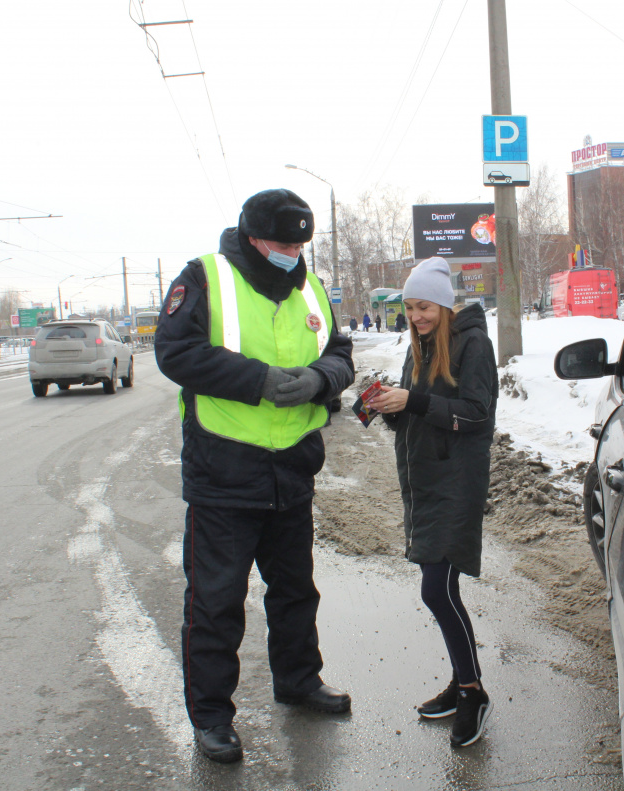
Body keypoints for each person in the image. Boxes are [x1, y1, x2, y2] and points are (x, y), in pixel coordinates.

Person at [154, 188, 355, 765]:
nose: (292, 252)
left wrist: (321, 380)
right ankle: (212, 717)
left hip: (291, 469)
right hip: (224, 474)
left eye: (299, 243)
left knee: (295, 592)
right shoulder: (205, 277)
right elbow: (176, 352)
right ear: (251, 236)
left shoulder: (310, 286)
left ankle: (299, 679)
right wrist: (259, 380)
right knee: (216, 603)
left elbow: (339, 351)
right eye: (282, 242)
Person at [366, 257, 499, 748]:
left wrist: (416, 402)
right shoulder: (419, 345)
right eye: (410, 308)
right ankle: (461, 681)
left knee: (437, 590)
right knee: (439, 589)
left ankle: (473, 692)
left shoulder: (474, 343)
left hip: (456, 481)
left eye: (423, 307)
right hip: (422, 480)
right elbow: (414, 411)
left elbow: (477, 415)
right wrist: (388, 406)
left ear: (444, 304)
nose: (416, 316)